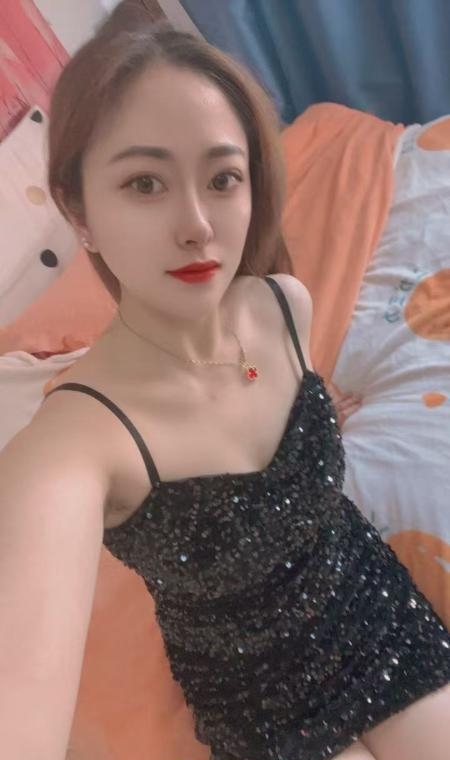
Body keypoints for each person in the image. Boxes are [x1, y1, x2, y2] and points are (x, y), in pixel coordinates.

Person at [0, 12, 449, 760]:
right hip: (260, 696)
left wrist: (315, 420)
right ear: (79, 212)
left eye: (222, 178)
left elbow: (290, 413)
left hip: (369, 607)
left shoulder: (284, 304)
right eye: (145, 183)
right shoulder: (73, 444)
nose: (198, 225)